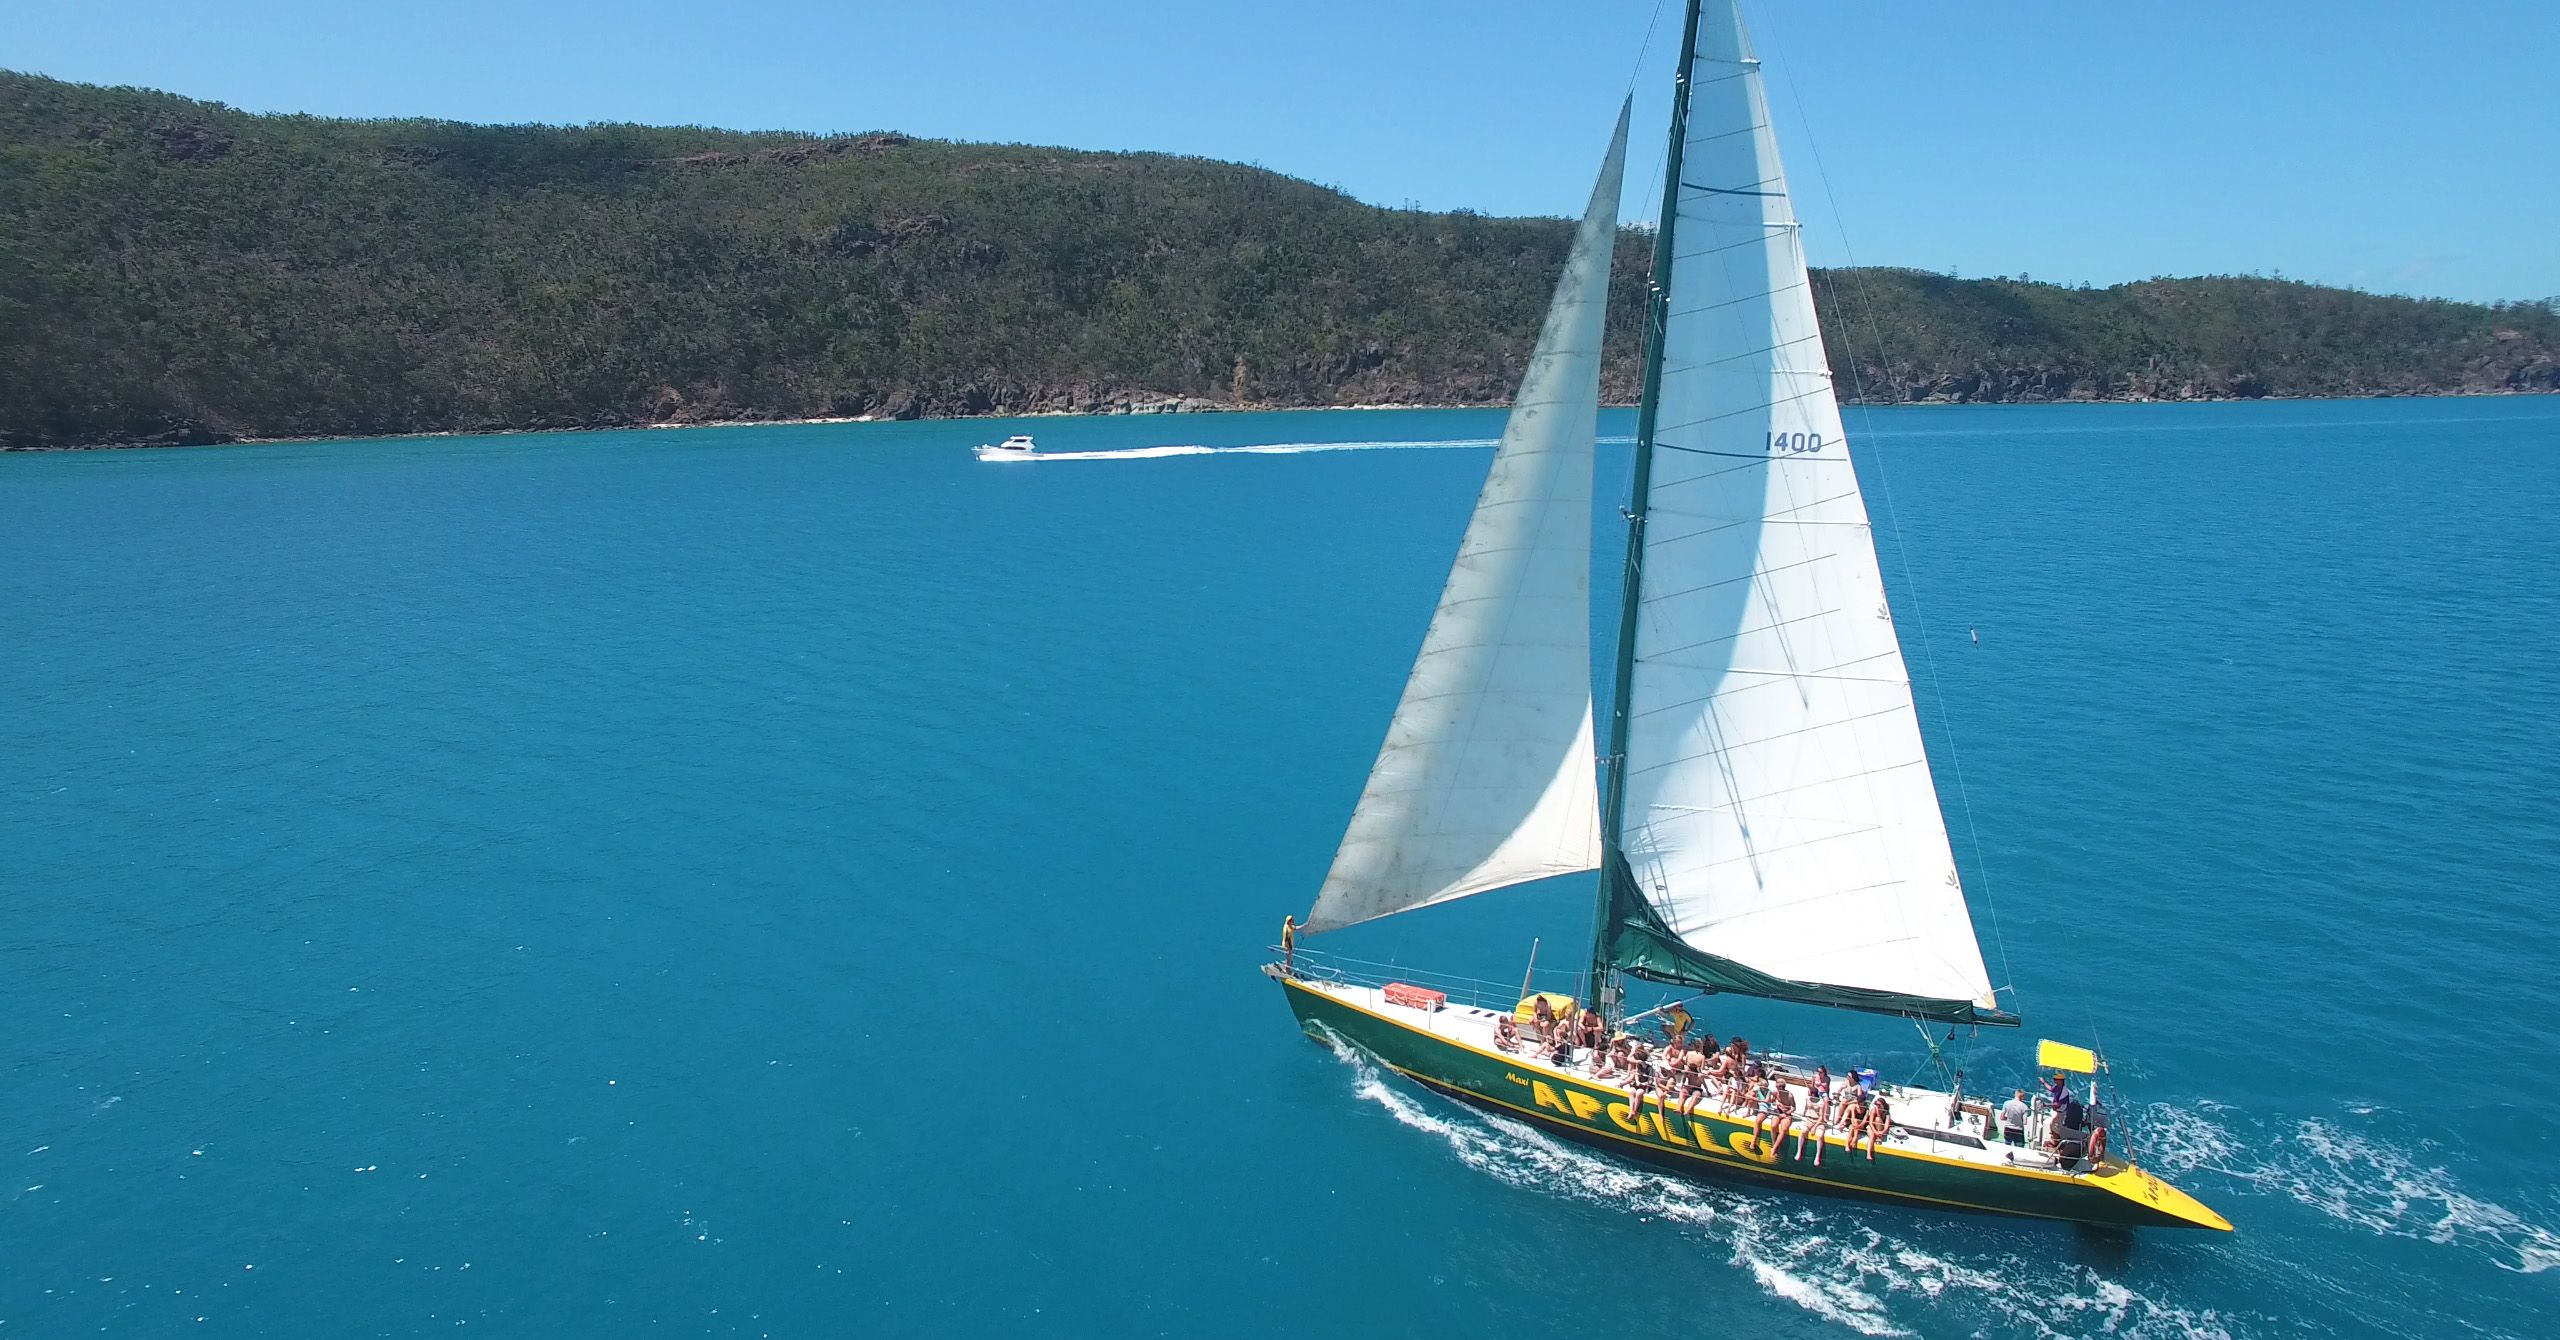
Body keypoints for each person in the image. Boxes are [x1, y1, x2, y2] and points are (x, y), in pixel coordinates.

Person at [1858, 1092, 1894, 1161]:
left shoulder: (1886, 1112)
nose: (1877, 1106)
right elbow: (1870, 1122)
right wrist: (1875, 1131)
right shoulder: (1874, 1110)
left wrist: (1882, 1132)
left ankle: (1879, 1137)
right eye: (1876, 1104)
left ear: (1883, 1105)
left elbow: (1886, 1124)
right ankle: (1868, 1154)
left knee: (1878, 1120)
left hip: (1880, 1127)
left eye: (1879, 1105)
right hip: (1872, 1127)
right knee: (1871, 1137)